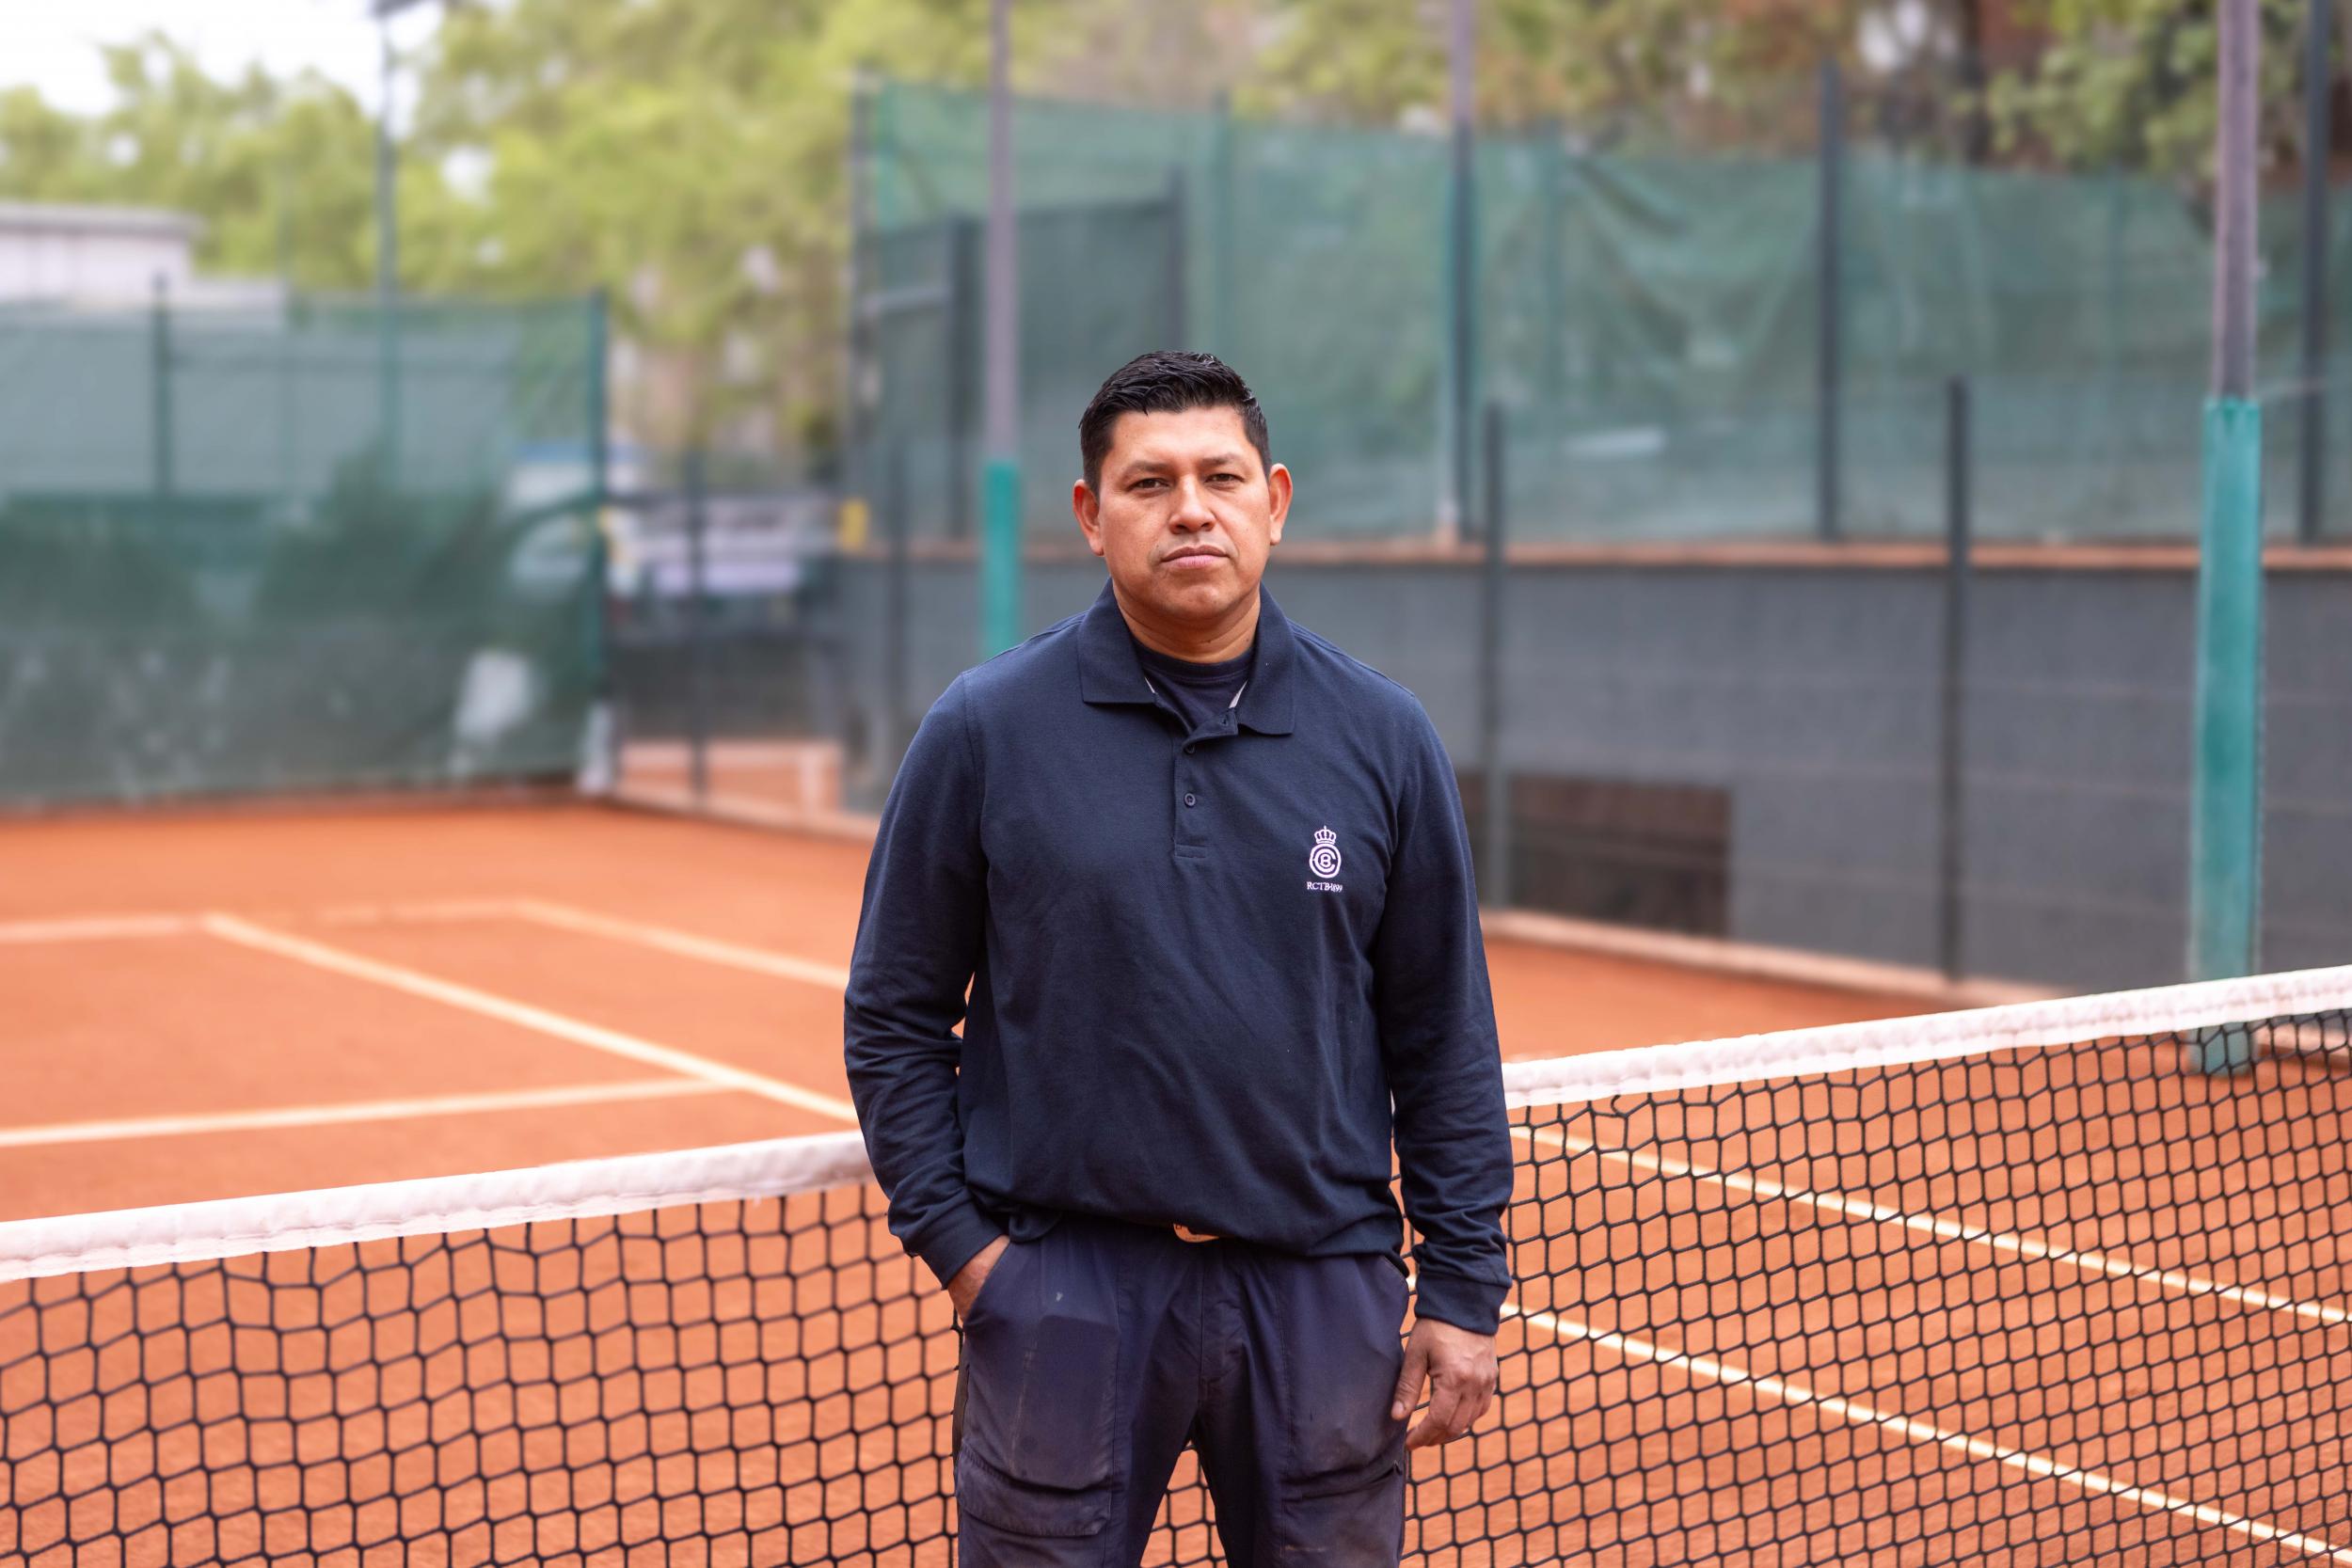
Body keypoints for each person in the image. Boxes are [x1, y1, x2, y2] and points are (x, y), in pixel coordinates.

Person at [844, 350, 1512, 1567]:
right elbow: (893, 1013)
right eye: (1149, 483)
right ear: (1091, 515)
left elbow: (1443, 1034)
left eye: (1222, 477)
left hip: (1320, 1291)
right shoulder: (985, 728)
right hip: (1066, 1296)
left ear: (1276, 500)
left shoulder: (1384, 736)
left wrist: (1463, 1288)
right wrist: (973, 1262)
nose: (1191, 509)